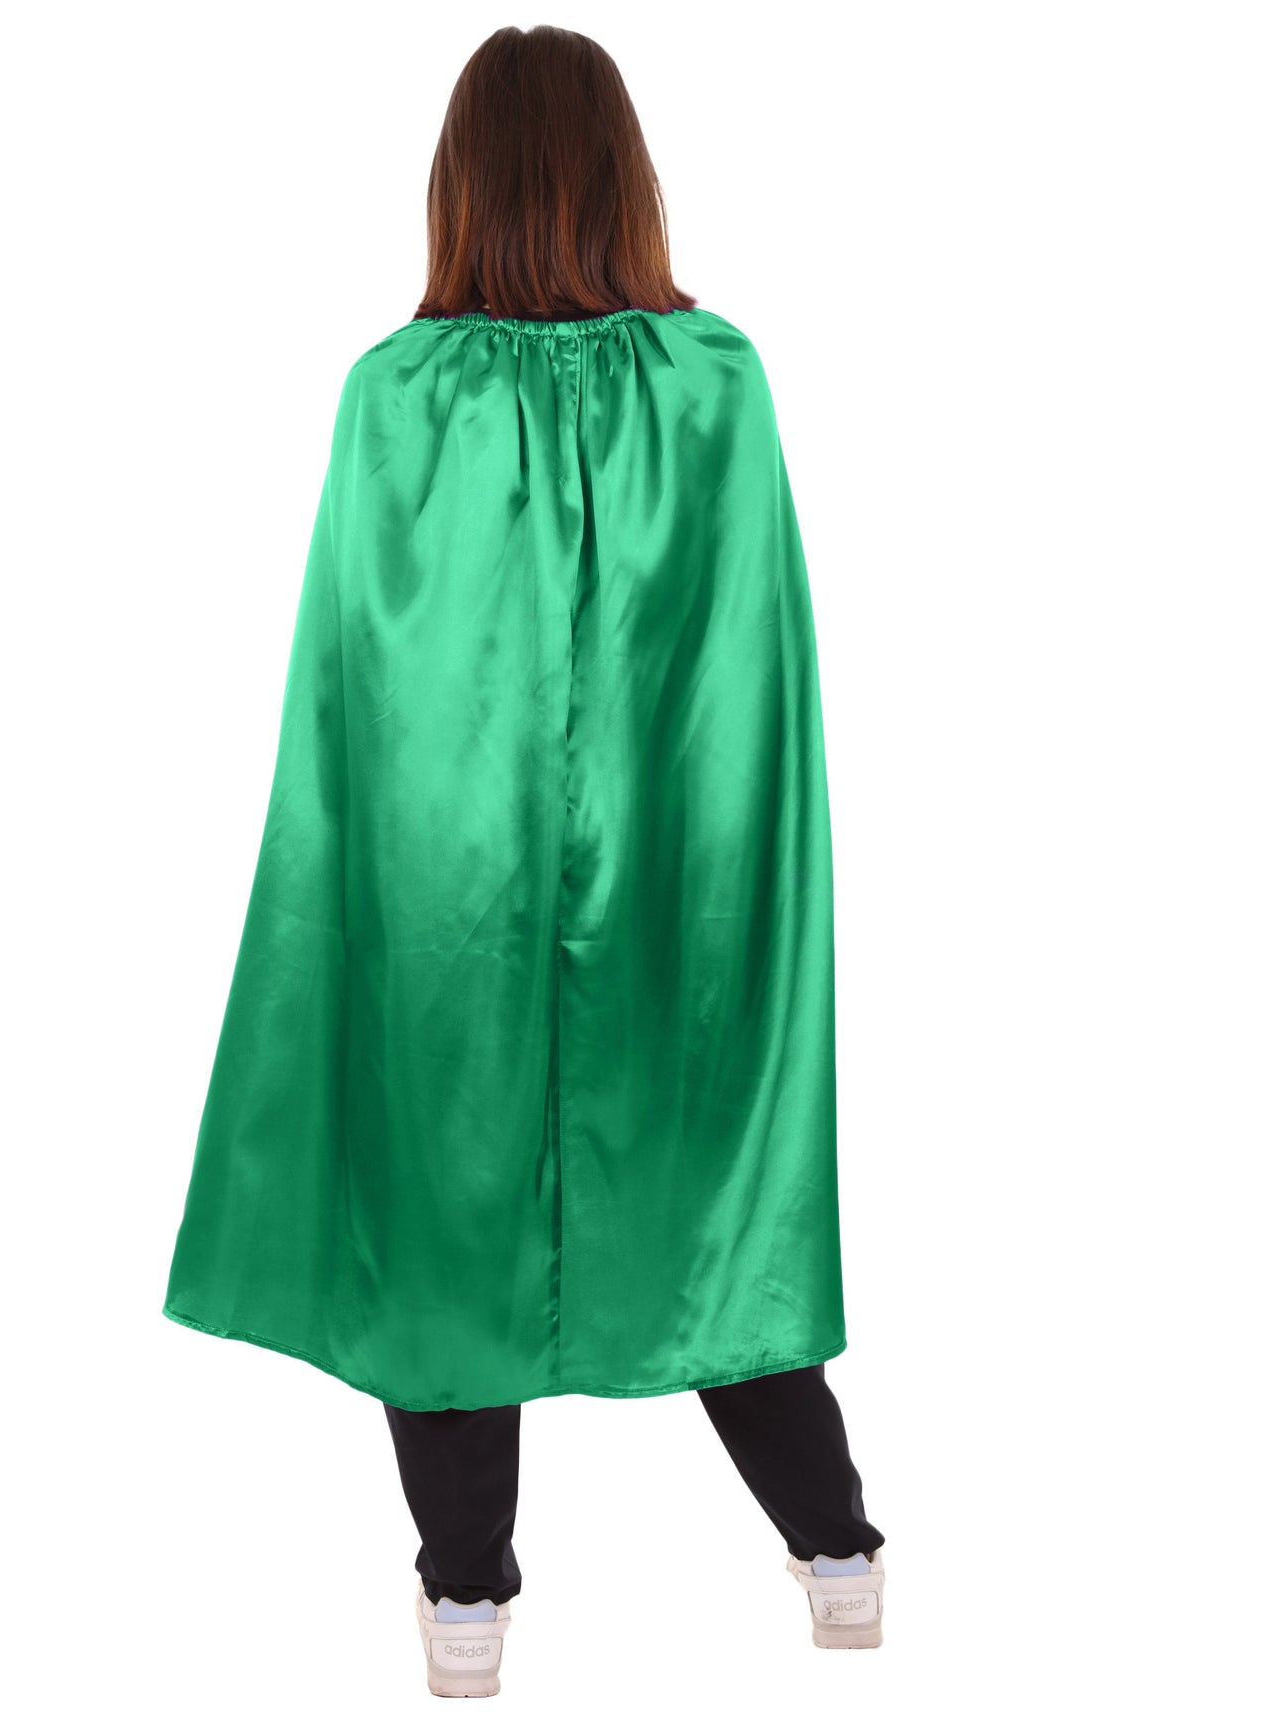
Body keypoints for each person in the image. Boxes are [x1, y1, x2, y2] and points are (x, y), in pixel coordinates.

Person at [163, 24, 886, 1697]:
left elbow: (350, 691)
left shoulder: (393, 394)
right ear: (627, 178)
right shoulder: (715, 381)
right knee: (710, 1204)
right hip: (683, 880)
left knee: (441, 1208)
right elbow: (755, 674)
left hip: (441, 886)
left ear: (458, 185)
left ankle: (464, 1593)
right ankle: (839, 1555)